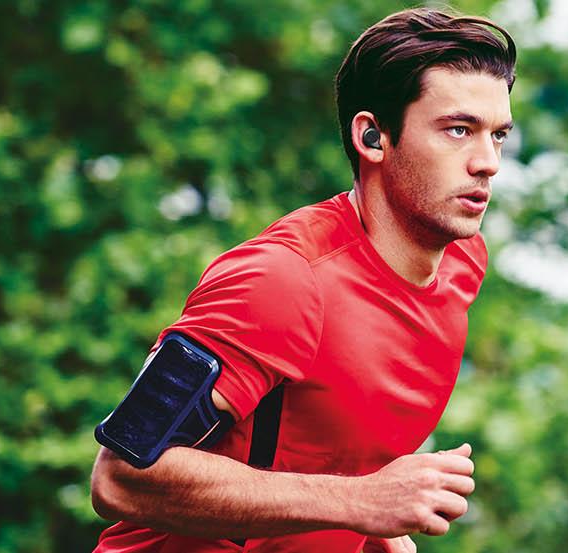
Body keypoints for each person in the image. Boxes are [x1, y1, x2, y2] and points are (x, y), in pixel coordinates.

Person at [88, 7, 516, 553]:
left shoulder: (461, 262)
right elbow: (121, 476)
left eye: (498, 135)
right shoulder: (280, 281)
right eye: (458, 130)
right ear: (372, 137)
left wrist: (372, 530)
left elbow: (325, 445)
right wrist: (361, 503)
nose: (488, 162)